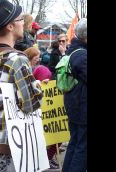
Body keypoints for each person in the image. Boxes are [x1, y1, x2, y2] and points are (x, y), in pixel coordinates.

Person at [0, 0, 43, 171]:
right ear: (10, 26)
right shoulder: (17, 60)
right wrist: (37, 86)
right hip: (9, 147)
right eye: (20, 19)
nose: (23, 23)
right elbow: (30, 104)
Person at [62, 18, 87, 172]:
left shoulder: (74, 52)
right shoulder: (82, 55)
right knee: (82, 148)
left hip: (76, 106)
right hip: (82, 108)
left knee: (75, 143)